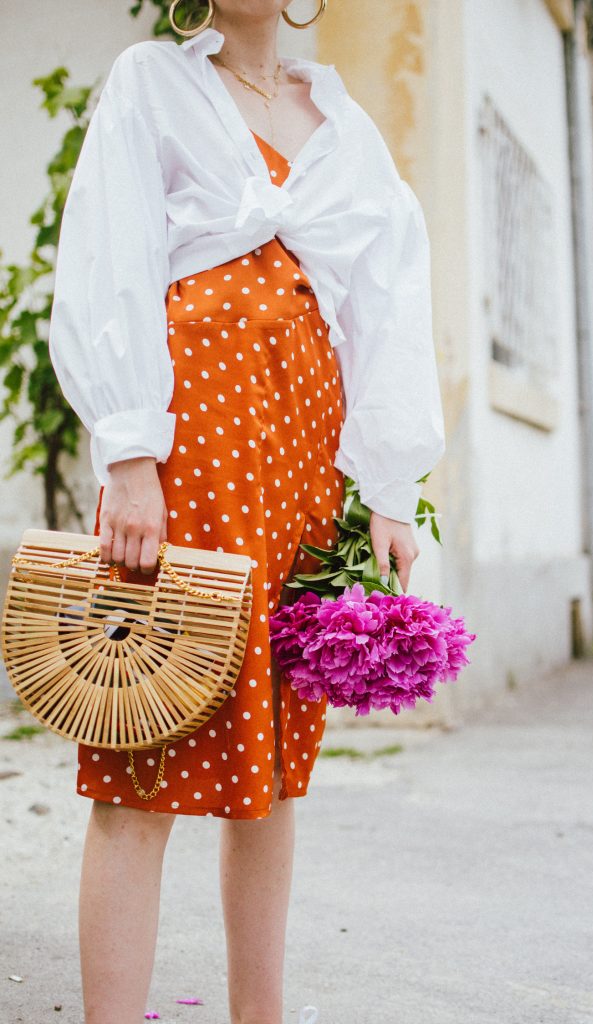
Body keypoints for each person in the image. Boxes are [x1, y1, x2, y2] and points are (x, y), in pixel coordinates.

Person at [47, 1, 445, 1021]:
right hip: (190, 452)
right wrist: (130, 451)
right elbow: (108, 250)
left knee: (267, 777)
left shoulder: (344, 125)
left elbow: (385, 299)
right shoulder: (152, 82)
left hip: (301, 462)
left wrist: (390, 488)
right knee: (141, 746)